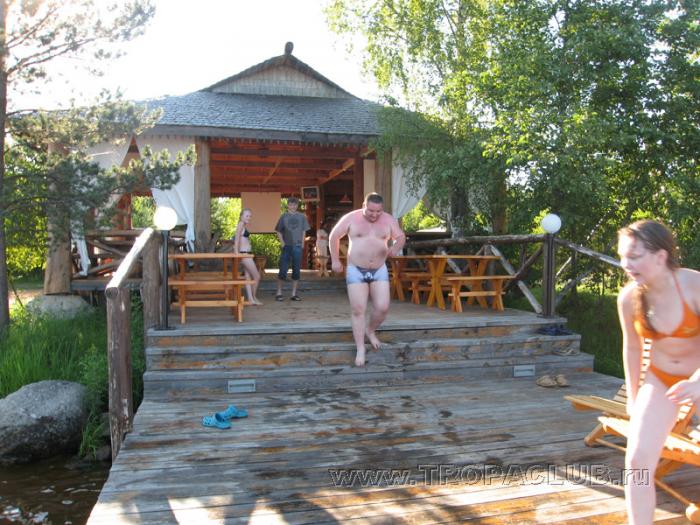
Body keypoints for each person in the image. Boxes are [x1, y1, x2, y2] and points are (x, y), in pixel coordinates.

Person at [616, 220, 700, 524]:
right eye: (622, 256)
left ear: (660, 256)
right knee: (637, 461)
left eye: (634, 256)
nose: (625, 264)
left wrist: (698, 382)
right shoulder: (629, 298)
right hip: (661, 380)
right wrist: (633, 398)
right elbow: (632, 348)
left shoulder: (693, 286)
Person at [329, 193, 406, 367]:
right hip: (356, 269)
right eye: (371, 211)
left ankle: (370, 330)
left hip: (379, 269)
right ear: (364, 205)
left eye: (378, 211)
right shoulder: (351, 218)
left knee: (383, 308)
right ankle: (360, 348)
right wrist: (335, 260)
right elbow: (334, 236)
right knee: (358, 310)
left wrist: (395, 247)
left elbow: (401, 237)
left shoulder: (388, 220)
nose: (374, 215)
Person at [275, 197, 310, 301]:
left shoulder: (302, 217)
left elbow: (304, 230)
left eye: (295, 205)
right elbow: (278, 230)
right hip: (287, 246)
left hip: (297, 246)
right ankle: (279, 293)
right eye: (291, 204)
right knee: (283, 269)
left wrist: (303, 243)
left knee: (296, 270)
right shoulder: (284, 216)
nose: (293, 206)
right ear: (288, 205)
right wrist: (282, 242)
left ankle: (294, 294)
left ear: (297, 206)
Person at [233, 208, 263, 305]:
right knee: (257, 276)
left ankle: (250, 299)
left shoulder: (243, 225)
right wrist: (236, 253)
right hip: (244, 254)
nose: (249, 218)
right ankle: (254, 297)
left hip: (246, 254)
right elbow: (236, 239)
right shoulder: (241, 224)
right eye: (247, 216)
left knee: (248, 277)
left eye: (250, 216)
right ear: (241, 216)